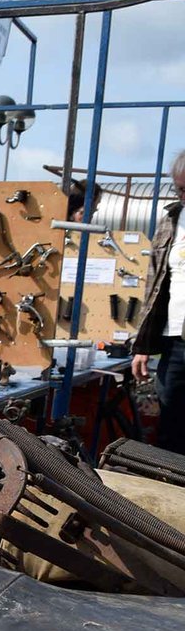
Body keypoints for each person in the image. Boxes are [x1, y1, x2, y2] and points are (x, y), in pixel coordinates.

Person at [129, 149, 185, 453]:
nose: (183, 195)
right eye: (179, 188)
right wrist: (142, 347)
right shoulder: (172, 221)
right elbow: (155, 287)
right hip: (174, 342)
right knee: (171, 427)